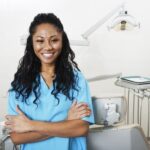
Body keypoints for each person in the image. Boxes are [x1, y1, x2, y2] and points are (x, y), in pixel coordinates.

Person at [5, 13, 94, 150]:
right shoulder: (20, 85)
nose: (48, 47)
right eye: (40, 41)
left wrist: (31, 125)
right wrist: (66, 122)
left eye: (54, 40)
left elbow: (81, 128)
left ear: (62, 41)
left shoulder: (76, 80)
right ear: (32, 43)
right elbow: (17, 137)